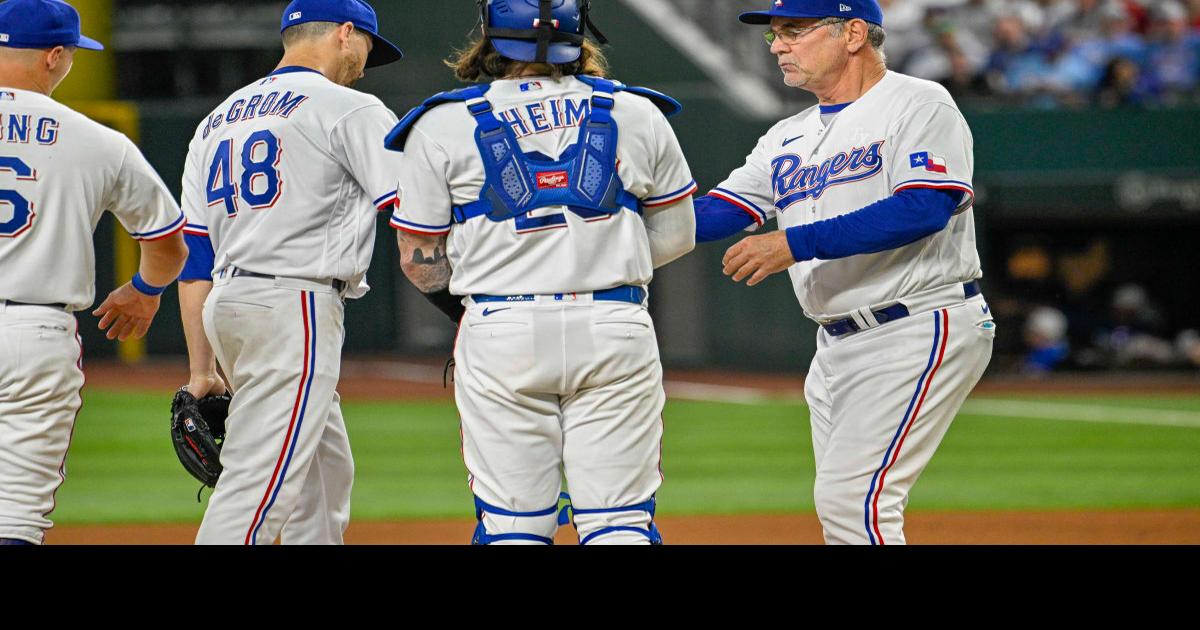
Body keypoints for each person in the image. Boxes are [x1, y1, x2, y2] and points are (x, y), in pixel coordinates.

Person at [385, 0, 696, 545]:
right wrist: (593, 260)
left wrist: (483, 311)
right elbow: (675, 237)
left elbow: (418, 259)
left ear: (489, 37)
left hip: (500, 327)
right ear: (580, 37)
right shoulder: (636, 111)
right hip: (613, 322)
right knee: (619, 523)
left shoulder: (441, 121)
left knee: (513, 529)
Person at [693, 0, 994, 545]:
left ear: (854, 33)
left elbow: (922, 208)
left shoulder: (918, 102)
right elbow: (720, 212)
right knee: (844, 506)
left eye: (794, 31)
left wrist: (795, 242)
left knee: (855, 501)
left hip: (916, 320)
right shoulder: (788, 134)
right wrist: (621, 219)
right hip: (835, 341)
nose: (778, 44)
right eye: (775, 35)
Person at [177, 0, 404, 545]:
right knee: (257, 490)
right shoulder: (350, 107)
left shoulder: (217, 120)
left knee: (323, 482)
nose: (366, 62)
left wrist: (201, 368)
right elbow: (408, 208)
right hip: (293, 308)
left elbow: (195, 255)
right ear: (346, 34)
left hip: (228, 307)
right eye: (368, 46)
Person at [0, 0, 188, 545]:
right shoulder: (98, 139)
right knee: (14, 514)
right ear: (55, 56)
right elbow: (168, 243)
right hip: (34, 334)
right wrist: (145, 291)